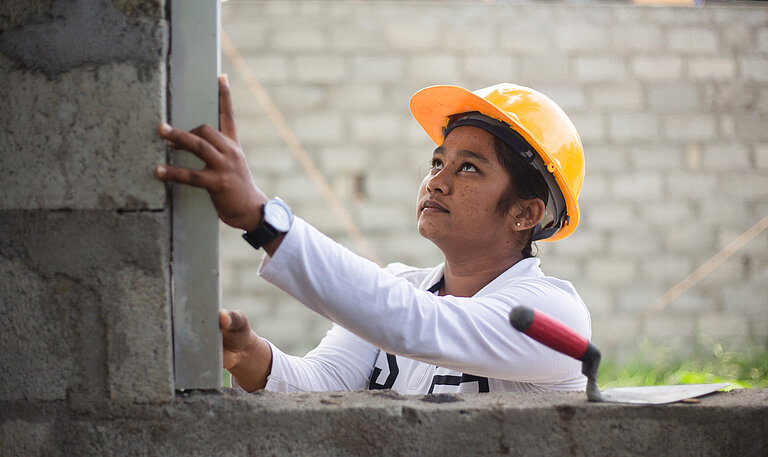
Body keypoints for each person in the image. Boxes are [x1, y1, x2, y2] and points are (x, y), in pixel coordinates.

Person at [155, 76, 590, 394]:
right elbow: (324, 385)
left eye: (470, 168)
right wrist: (250, 356)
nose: (436, 182)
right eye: (438, 163)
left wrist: (261, 217)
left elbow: (414, 324)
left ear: (524, 213)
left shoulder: (551, 316)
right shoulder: (401, 287)